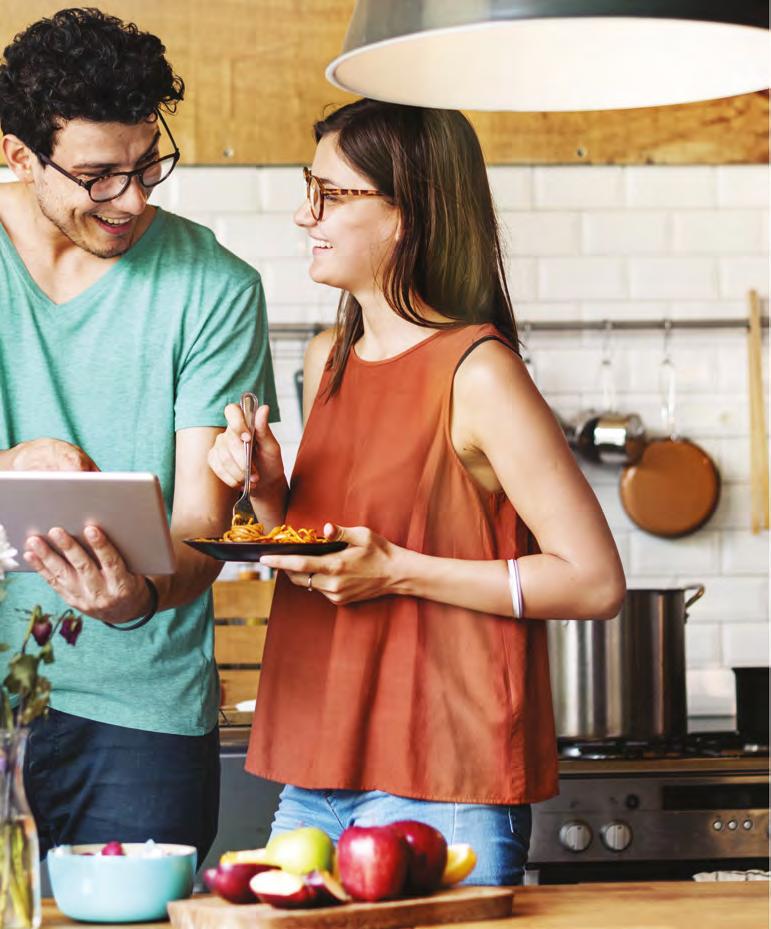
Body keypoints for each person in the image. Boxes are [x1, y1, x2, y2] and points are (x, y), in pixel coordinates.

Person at [208, 98, 625, 885]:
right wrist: (267, 494)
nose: (305, 214)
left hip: (445, 784)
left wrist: (401, 569)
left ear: (408, 213)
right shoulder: (327, 358)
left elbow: (593, 579)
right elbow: (326, 561)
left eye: (331, 194)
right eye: (310, 187)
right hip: (315, 775)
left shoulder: (480, 373)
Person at [0, 8, 280, 862]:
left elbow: (207, 521)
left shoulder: (213, 286)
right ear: (18, 156)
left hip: (139, 712)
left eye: (148, 165)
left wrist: (140, 599)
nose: (132, 200)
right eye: (97, 177)